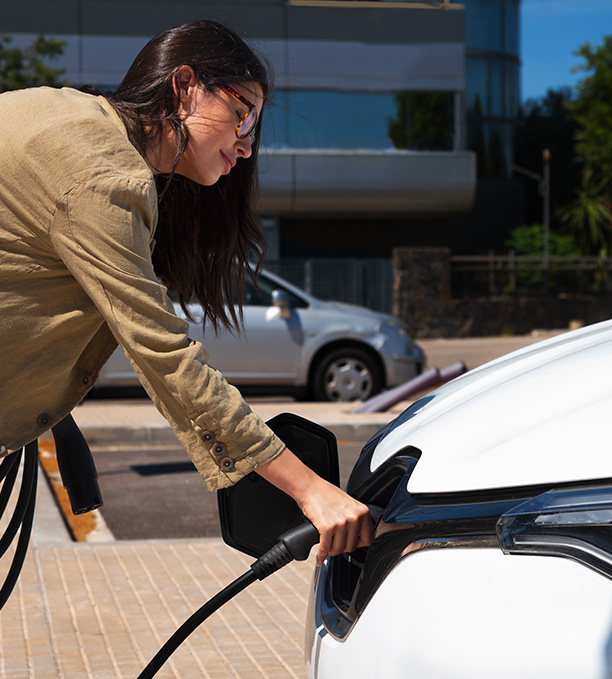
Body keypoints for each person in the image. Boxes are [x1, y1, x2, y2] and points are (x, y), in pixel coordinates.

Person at [0, 19, 372, 563]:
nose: (246, 146)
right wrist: (310, 489)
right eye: (242, 113)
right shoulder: (104, 177)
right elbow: (165, 356)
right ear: (184, 85)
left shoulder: (55, 109)